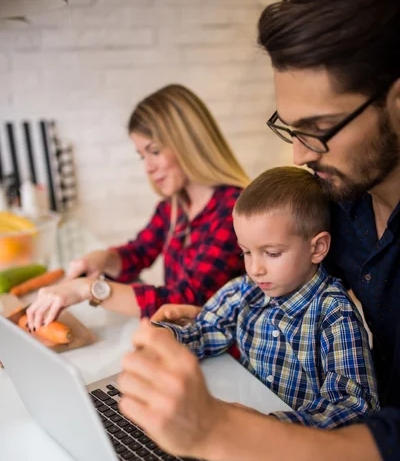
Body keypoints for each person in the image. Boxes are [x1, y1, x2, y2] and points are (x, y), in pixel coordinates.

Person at [117, 0, 400, 461]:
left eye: (318, 130)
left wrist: (225, 428)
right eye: (290, 129)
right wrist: (209, 323)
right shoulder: (330, 202)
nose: (298, 154)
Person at [153, 166, 379, 429]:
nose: (255, 268)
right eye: (246, 252)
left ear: (317, 248)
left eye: (271, 253)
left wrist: (271, 426)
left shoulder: (334, 314)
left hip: (295, 446)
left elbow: (354, 406)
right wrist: (167, 337)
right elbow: (205, 331)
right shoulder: (245, 290)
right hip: (240, 423)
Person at [26, 84, 248, 330]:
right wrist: (103, 258)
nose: (148, 168)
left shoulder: (234, 210)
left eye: (154, 151)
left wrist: (89, 289)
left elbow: (187, 299)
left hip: (228, 354)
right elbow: (139, 252)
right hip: (187, 341)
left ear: (190, 143)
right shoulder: (174, 206)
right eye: (143, 156)